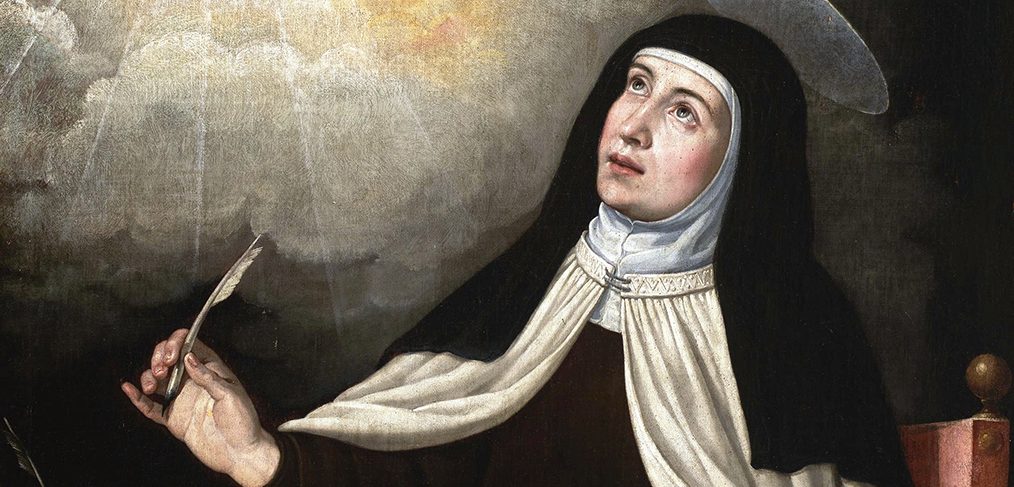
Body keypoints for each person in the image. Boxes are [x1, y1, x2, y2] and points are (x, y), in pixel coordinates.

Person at [122, 15, 912, 486]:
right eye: (636, 84)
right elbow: (410, 468)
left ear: (741, 164)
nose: (635, 125)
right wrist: (259, 455)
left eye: (685, 112)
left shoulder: (801, 339)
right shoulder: (525, 301)